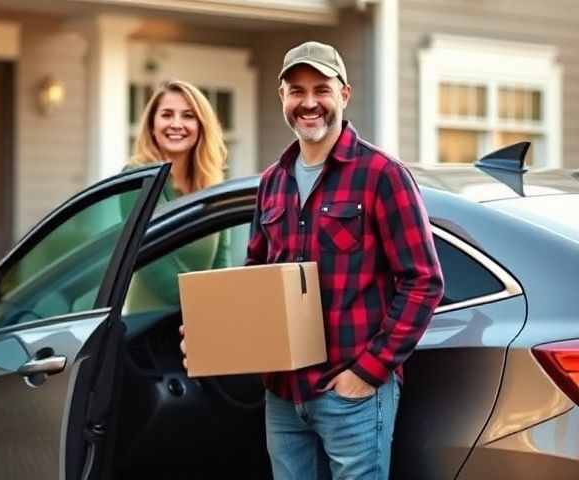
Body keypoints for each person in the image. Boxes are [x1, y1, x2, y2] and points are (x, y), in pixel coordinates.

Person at [182, 41, 444, 479]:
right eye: (296, 90)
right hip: (284, 395)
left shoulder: (382, 175)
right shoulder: (273, 182)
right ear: (281, 97)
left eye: (321, 89)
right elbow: (257, 279)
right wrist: (216, 331)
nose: (309, 103)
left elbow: (423, 282)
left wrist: (367, 372)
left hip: (353, 393)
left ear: (344, 94)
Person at [123, 80, 230, 312]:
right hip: (150, 327)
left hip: (202, 320)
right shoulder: (138, 177)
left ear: (201, 126)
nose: (176, 124)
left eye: (188, 116)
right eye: (167, 115)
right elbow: (151, 256)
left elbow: (222, 260)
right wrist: (205, 305)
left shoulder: (213, 183)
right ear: (152, 124)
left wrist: (222, 304)